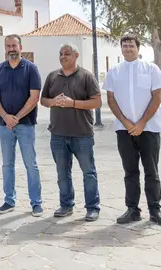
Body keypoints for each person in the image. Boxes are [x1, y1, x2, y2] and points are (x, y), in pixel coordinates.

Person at [104, 34, 161, 227]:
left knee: (151, 170)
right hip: (124, 130)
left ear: (138, 47)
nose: (127, 49)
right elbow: (111, 99)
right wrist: (126, 123)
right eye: (124, 46)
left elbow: (157, 97)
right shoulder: (114, 71)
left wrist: (141, 123)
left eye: (131, 45)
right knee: (130, 171)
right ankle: (132, 209)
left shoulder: (151, 69)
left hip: (149, 128)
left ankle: (155, 210)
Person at [39, 43, 102, 221]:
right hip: (58, 134)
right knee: (62, 173)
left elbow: (97, 102)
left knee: (88, 172)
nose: (63, 57)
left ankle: (92, 207)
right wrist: (54, 102)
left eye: (67, 54)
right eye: (61, 54)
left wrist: (72, 103)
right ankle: (66, 205)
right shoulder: (52, 76)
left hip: (82, 134)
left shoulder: (86, 76)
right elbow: (43, 100)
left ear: (76, 55)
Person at [0, 34, 43, 216]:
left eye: (14, 45)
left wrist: (16, 118)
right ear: (5, 48)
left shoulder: (31, 69)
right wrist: (6, 117)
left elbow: (34, 97)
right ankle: (9, 200)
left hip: (25, 124)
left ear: (20, 47)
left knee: (31, 164)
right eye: (8, 46)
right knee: (7, 164)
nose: (11, 48)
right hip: (4, 125)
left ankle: (36, 203)